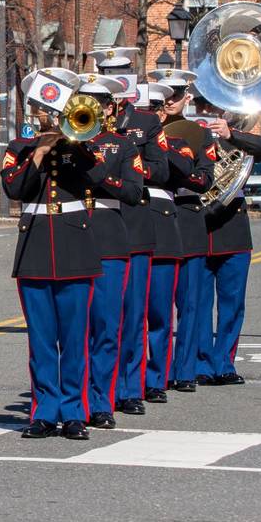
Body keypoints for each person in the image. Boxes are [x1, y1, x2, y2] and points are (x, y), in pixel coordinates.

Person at [2, 69, 102, 440]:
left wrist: (74, 140)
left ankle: (75, 411)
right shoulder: (20, 149)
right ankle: (44, 411)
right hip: (36, 249)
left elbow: (99, 178)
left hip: (75, 247)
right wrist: (41, 150)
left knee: (75, 339)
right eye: (42, 107)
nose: (47, 113)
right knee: (42, 339)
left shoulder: (82, 145)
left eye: (54, 106)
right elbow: (15, 189)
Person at [87, 48, 170, 417]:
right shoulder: (81, 115)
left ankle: (129, 388)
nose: (115, 75)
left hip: (133, 223)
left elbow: (160, 170)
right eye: (106, 70)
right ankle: (95, 390)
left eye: (121, 71)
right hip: (93, 224)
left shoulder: (145, 121)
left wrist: (121, 165)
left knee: (132, 313)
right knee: (98, 316)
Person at [73, 74, 143, 429]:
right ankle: (74, 400)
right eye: (83, 100)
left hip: (109, 238)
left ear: (109, 107)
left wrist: (96, 170)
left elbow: (133, 193)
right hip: (70, 236)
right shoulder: (64, 142)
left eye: (97, 102)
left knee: (105, 325)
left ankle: (101, 399)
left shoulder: (122, 146)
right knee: (73, 328)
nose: (90, 108)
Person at [141, 68, 209, 405]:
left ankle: (183, 370)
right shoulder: (137, 128)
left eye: (176, 95)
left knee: (189, 302)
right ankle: (154, 371)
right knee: (152, 304)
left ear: (186, 98)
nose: (168, 102)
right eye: (163, 96)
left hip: (187, 217)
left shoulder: (194, 134)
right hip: (152, 216)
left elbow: (203, 177)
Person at [194, 94, 261, 386]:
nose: (209, 111)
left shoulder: (237, 139)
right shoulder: (189, 135)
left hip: (233, 227)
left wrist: (230, 134)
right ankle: (201, 363)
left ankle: (224, 362)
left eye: (213, 106)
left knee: (232, 302)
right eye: (204, 106)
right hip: (199, 226)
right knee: (199, 303)